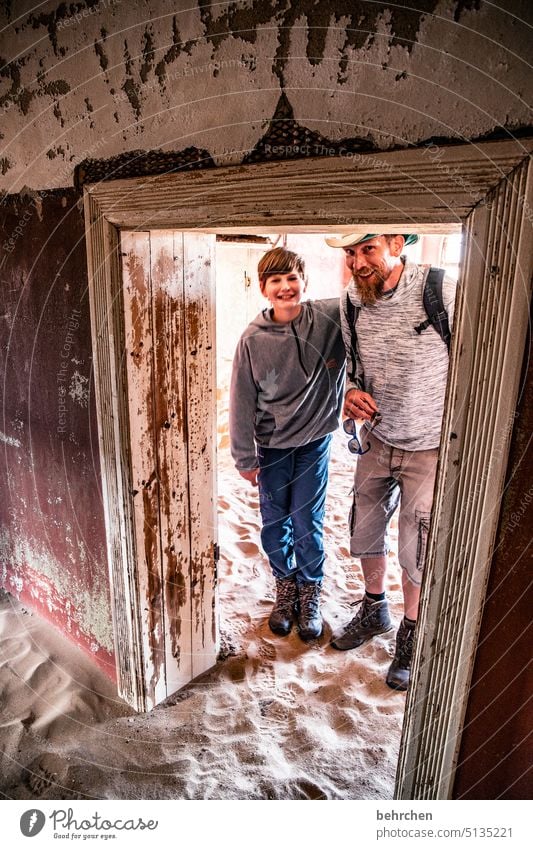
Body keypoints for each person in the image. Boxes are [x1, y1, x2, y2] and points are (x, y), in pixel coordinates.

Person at [325, 233, 456, 690]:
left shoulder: (441, 290)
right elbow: (354, 367)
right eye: (350, 253)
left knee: (416, 544)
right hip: (377, 438)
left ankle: (411, 634)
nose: (358, 263)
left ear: (397, 243)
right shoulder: (350, 302)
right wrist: (350, 393)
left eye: (368, 249)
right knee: (364, 527)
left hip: (430, 444)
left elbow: (473, 361)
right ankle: (375, 607)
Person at [229, 247, 346, 641]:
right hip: (272, 447)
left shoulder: (329, 318)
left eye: (292, 278)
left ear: (304, 282)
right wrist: (244, 457)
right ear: (263, 289)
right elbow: (241, 401)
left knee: (306, 522)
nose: (285, 287)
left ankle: (310, 589)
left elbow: (366, 300)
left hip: (314, 443)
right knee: (275, 522)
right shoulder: (252, 339)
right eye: (275, 281)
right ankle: (286, 588)